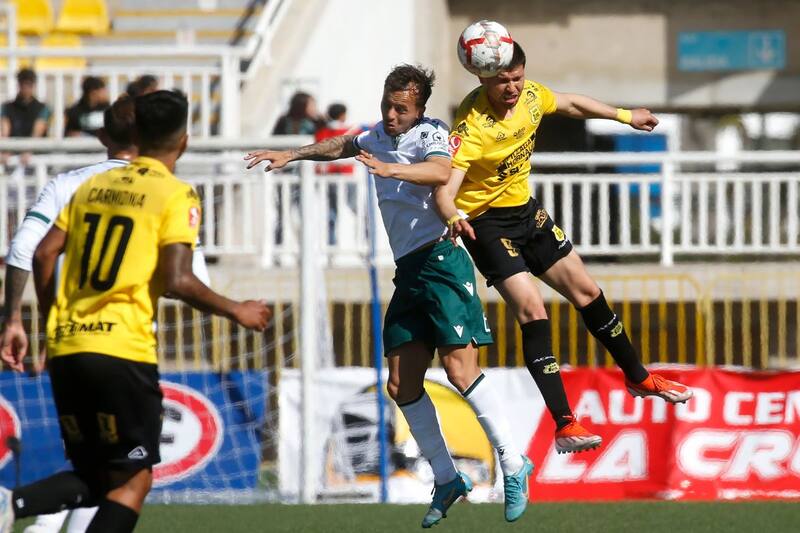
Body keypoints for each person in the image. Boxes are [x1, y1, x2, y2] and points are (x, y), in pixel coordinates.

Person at [245, 65, 532, 525]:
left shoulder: (433, 135)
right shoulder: (376, 135)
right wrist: (292, 154)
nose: (392, 115)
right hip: (410, 272)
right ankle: (446, 477)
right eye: (387, 105)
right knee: (400, 384)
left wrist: (391, 168)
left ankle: (514, 462)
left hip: (442, 263)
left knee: (461, 372)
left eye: (402, 108)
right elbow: (344, 144)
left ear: (420, 109)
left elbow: (442, 171)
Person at [0, 90, 270, 533]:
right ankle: (12, 504)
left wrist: (51, 325)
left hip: (68, 347)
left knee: (99, 475)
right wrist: (236, 309)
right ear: (183, 141)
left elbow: (43, 253)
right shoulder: (174, 194)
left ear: (134, 135)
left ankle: (12, 503)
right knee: (132, 482)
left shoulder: (90, 186)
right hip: (121, 349)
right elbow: (180, 280)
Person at [435, 41, 693, 454]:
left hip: (527, 214)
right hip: (484, 223)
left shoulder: (532, 95)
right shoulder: (471, 126)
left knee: (588, 292)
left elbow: (571, 104)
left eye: (517, 78)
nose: (513, 87)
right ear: (483, 78)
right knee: (532, 309)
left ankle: (638, 375)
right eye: (502, 81)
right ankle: (565, 422)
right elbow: (444, 190)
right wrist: (452, 216)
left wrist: (625, 117)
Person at [1, 68, 50, 138]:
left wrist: (26, 148)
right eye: (23, 84)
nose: (25, 87)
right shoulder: (6, 107)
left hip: (34, 148)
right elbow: (5, 134)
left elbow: (36, 135)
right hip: (12, 147)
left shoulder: (43, 108)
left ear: (33, 85)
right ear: (19, 85)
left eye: (29, 84)